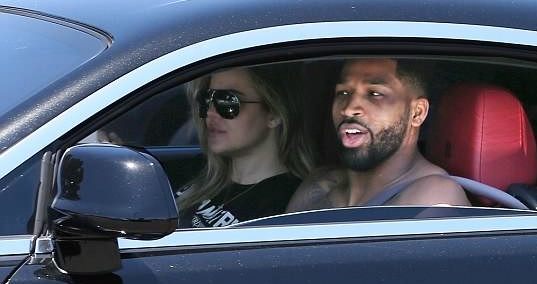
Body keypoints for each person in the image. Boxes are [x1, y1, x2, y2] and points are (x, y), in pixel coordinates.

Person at [286, 58, 470, 211]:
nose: (348, 109)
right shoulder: (320, 183)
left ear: (417, 113)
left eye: (374, 94)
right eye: (343, 92)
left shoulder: (434, 197)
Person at [178, 64, 314, 227]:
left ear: (274, 114)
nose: (209, 113)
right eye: (207, 99)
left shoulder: (287, 204)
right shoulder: (199, 168)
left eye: (228, 101)